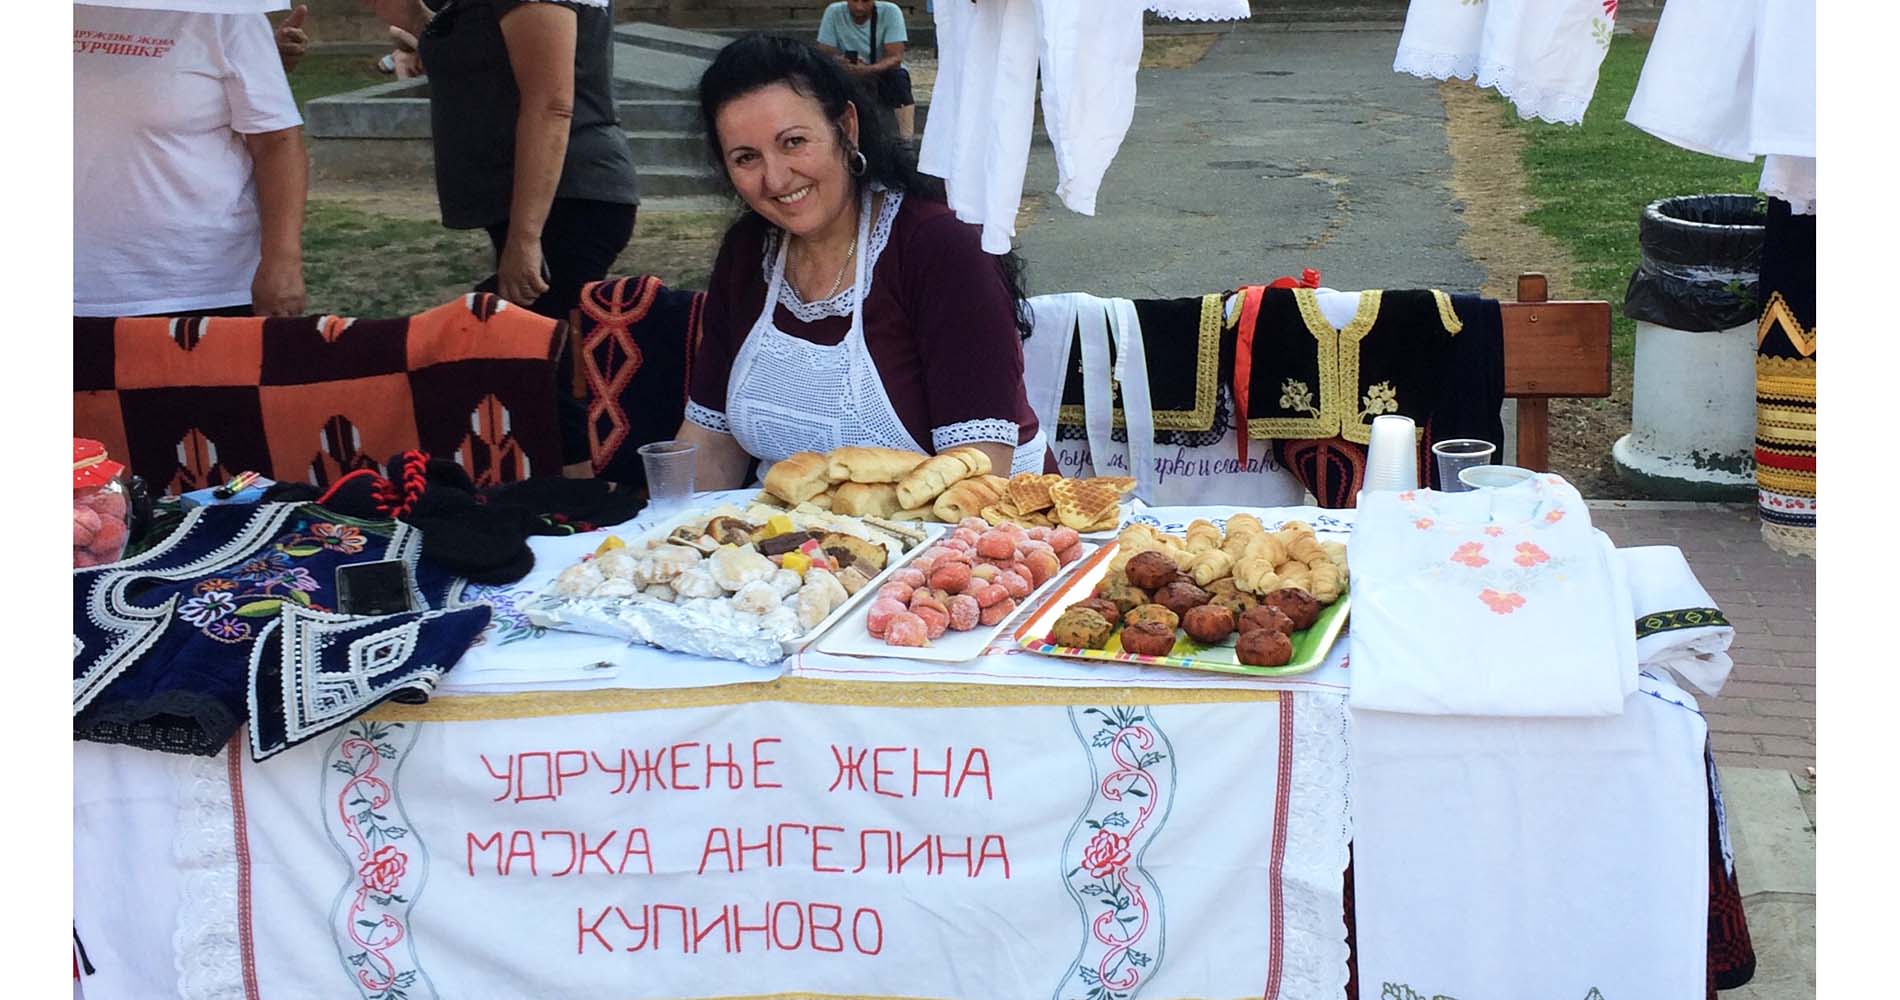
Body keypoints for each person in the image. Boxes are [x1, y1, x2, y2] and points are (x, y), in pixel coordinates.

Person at [677, 34, 1048, 491]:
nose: (775, 178)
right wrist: (665, 526)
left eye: (793, 142)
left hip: (979, 521)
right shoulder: (747, 251)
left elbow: (979, 469)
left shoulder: (939, 247)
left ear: (846, 128)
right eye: (746, 158)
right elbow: (712, 443)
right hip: (794, 533)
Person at [365, 0, 641, 473]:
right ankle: (576, 488)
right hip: (545, 200)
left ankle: (590, 495)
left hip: (566, 200)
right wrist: (417, 22)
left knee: (540, 370)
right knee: (535, 366)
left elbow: (552, 103)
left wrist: (525, 237)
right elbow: (493, 67)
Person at [815, 0, 915, 139]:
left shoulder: (890, 12)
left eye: (865, 1)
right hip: (845, 72)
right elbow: (824, 52)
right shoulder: (834, 12)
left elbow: (895, 57)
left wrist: (868, 69)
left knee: (899, 78)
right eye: (854, 1)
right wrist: (840, 61)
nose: (859, 7)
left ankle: (906, 138)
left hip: (880, 72)